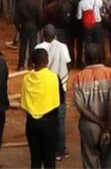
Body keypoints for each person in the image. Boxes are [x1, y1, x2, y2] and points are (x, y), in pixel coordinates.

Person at [74, 43, 111, 169]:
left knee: (90, 160)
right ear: (101, 56)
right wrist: (106, 127)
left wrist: (99, 123)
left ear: (85, 58)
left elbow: (82, 108)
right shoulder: (110, 74)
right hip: (108, 123)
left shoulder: (79, 77)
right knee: (109, 161)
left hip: (88, 126)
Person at [36, 25, 71, 161]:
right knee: (60, 120)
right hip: (60, 86)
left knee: (44, 117)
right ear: (55, 35)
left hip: (43, 88)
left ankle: (46, 148)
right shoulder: (62, 47)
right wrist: (64, 78)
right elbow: (68, 65)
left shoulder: (38, 48)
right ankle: (60, 150)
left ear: (43, 35)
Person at [22, 47, 60, 169]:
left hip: (32, 124)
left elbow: (24, 102)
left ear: (33, 62)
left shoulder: (26, 78)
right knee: (50, 162)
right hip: (49, 123)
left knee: (35, 161)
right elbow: (61, 99)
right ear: (47, 61)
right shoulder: (54, 77)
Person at [16, 0, 44, 70]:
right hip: (33, 27)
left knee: (23, 46)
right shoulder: (36, 5)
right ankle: (31, 63)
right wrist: (38, 27)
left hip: (24, 26)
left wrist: (19, 28)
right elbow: (40, 18)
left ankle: (20, 65)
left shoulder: (20, 4)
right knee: (33, 45)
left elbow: (15, 19)